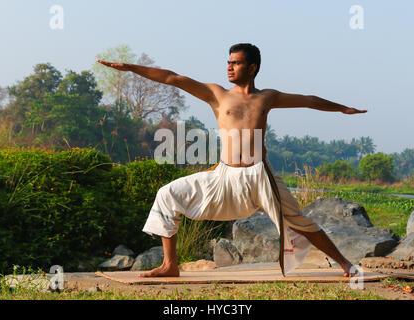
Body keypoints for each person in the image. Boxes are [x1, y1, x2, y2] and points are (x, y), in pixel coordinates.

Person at [97, 43, 367, 278]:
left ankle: (345, 263)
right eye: (228, 62)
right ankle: (170, 265)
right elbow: (173, 78)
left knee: (299, 221)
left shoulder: (267, 97)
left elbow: (308, 100)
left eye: (235, 63)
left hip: (260, 174)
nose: (229, 68)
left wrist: (342, 108)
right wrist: (131, 67)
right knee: (167, 194)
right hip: (225, 175)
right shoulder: (217, 94)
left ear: (252, 68)